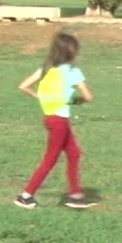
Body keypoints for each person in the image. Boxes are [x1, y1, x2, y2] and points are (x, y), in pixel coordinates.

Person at [14, 33, 95, 209]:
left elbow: (23, 86)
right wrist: (76, 101)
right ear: (72, 53)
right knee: (50, 159)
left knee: (74, 153)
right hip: (60, 121)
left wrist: (40, 97)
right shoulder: (73, 72)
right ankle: (25, 195)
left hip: (51, 118)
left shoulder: (45, 69)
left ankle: (75, 195)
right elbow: (88, 97)